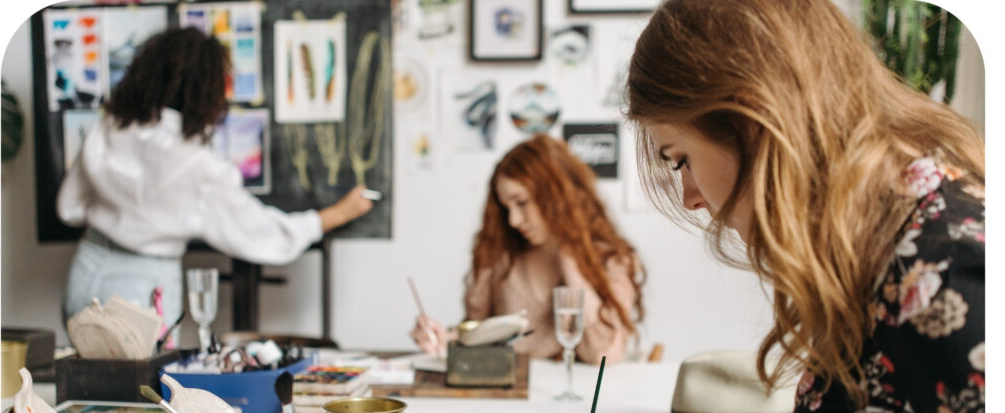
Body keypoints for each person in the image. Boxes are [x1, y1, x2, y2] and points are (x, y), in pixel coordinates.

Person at [560, 0, 984, 413]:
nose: (688, 196)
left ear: (750, 120)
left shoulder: (956, 276)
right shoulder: (876, 240)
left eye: (680, 158)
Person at [58, 27, 373, 328]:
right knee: (142, 384)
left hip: (87, 269)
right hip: (144, 286)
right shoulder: (200, 167)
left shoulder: (108, 127)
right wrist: (335, 215)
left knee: (80, 379)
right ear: (206, 91)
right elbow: (264, 234)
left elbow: (68, 208)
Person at [411, 134, 645, 364]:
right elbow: (480, 334)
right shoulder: (503, 256)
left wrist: (571, 258)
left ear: (556, 196)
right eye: (507, 207)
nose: (513, 220)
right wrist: (444, 338)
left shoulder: (613, 260)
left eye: (521, 203)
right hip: (510, 396)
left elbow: (602, 355)